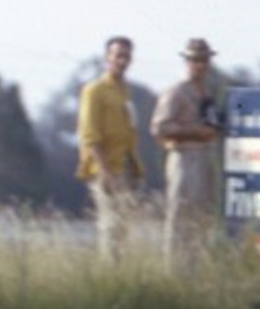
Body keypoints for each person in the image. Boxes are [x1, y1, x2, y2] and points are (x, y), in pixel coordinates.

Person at [151, 38, 222, 271]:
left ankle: (195, 269)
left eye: (203, 60)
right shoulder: (176, 92)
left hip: (204, 157)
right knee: (181, 216)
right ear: (187, 62)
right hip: (184, 156)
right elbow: (159, 127)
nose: (199, 65)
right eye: (194, 60)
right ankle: (175, 270)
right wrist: (194, 131)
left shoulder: (206, 92)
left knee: (203, 216)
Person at [76, 36, 144, 263]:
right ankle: (109, 274)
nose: (122, 61)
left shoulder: (124, 92)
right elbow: (89, 134)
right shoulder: (94, 90)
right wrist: (104, 171)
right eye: (118, 56)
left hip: (124, 165)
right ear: (107, 58)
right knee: (110, 226)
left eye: (126, 56)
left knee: (122, 227)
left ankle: (119, 273)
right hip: (105, 168)